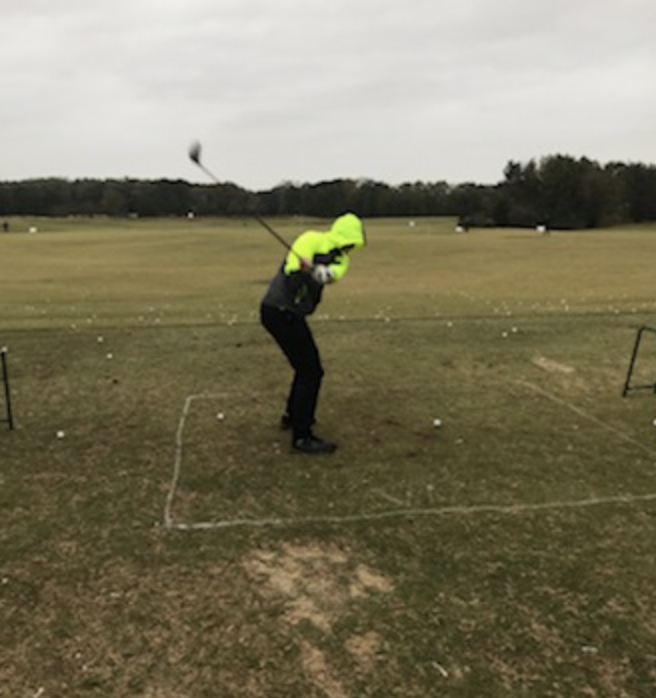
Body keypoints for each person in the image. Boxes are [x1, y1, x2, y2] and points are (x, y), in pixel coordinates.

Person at [260, 212, 367, 454]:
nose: (349, 249)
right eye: (348, 243)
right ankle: (302, 435)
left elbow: (330, 276)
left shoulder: (342, 260)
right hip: (278, 310)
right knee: (311, 371)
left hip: (291, 313)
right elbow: (291, 277)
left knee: (305, 368)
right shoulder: (310, 239)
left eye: (352, 245)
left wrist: (316, 271)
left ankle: (292, 416)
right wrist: (302, 269)